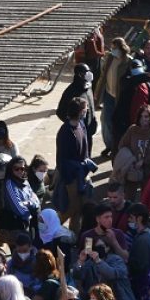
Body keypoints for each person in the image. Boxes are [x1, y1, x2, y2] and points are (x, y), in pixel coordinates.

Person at [54, 94, 96, 229]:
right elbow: (62, 159)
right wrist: (69, 180)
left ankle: (74, 235)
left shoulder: (81, 125)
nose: (87, 111)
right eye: (85, 109)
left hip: (82, 173)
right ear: (78, 112)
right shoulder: (65, 132)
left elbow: (85, 149)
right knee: (71, 208)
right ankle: (51, 229)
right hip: (71, 176)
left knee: (79, 210)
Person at [0, 156, 41, 245]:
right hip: (16, 226)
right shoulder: (9, 184)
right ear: (11, 169)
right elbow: (19, 209)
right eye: (16, 169)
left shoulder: (25, 181)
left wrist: (28, 203)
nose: (20, 171)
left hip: (28, 225)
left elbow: (36, 201)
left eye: (22, 168)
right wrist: (30, 211)